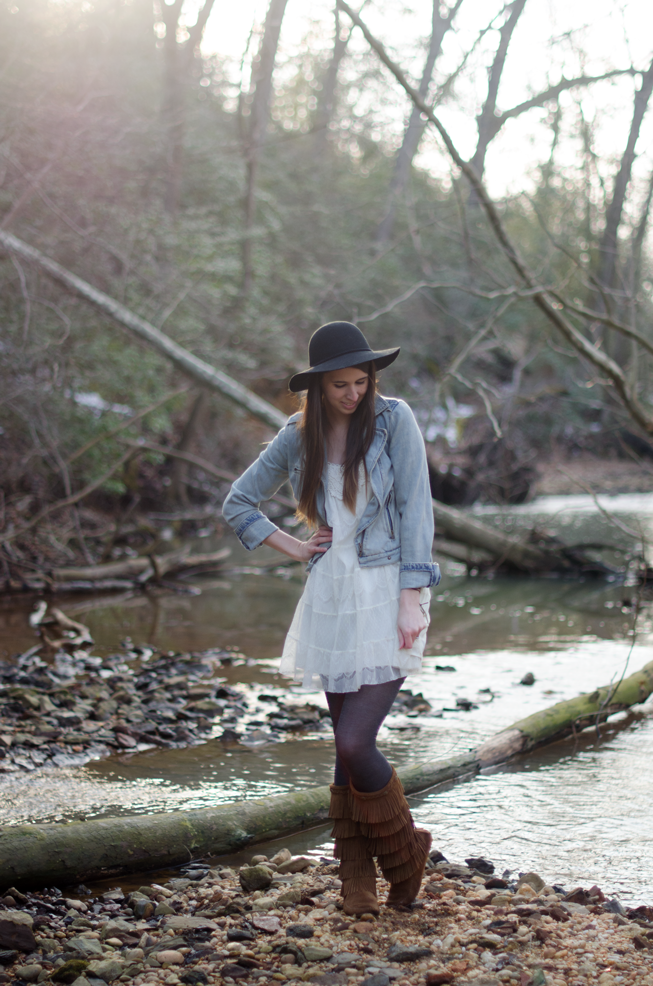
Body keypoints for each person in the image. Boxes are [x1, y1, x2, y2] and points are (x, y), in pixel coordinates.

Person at [223, 321, 440, 915]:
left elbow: (416, 506)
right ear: (317, 389)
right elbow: (237, 502)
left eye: (361, 381)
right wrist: (294, 547)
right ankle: (356, 882)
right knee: (344, 751)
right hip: (330, 596)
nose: (353, 394)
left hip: (386, 588)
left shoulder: (395, 419)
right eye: (340, 384)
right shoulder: (298, 435)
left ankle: (402, 855)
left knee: (353, 739)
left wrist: (412, 596)